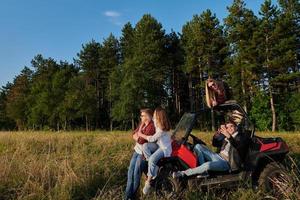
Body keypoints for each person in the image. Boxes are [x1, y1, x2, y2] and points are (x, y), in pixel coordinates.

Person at [173, 120, 248, 178]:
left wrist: (229, 136)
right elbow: (215, 144)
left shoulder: (240, 137)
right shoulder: (227, 136)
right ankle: (203, 172)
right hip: (218, 156)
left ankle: (183, 173)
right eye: (228, 127)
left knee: (207, 165)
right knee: (198, 146)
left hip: (227, 163)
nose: (230, 128)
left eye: (232, 126)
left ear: (236, 127)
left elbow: (237, 146)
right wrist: (216, 135)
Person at [137, 107, 172, 195]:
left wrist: (141, 134)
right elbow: (149, 118)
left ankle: (149, 181)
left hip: (164, 149)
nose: (153, 117)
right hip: (159, 146)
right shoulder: (157, 123)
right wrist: (144, 120)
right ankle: (153, 168)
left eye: (155, 115)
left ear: (159, 117)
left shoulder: (161, 129)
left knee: (152, 159)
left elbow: (152, 139)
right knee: (145, 146)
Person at [125, 108, 155, 200]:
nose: (141, 117)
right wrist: (137, 135)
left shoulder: (151, 126)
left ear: (147, 116)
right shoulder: (142, 124)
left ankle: (132, 196)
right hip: (136, 151)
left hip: (143, 154)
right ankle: (128, 196)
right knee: (130, 172)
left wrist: (137, 136)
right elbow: (134, 133)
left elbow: (142, 140)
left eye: (142, 115)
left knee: (136, 173)